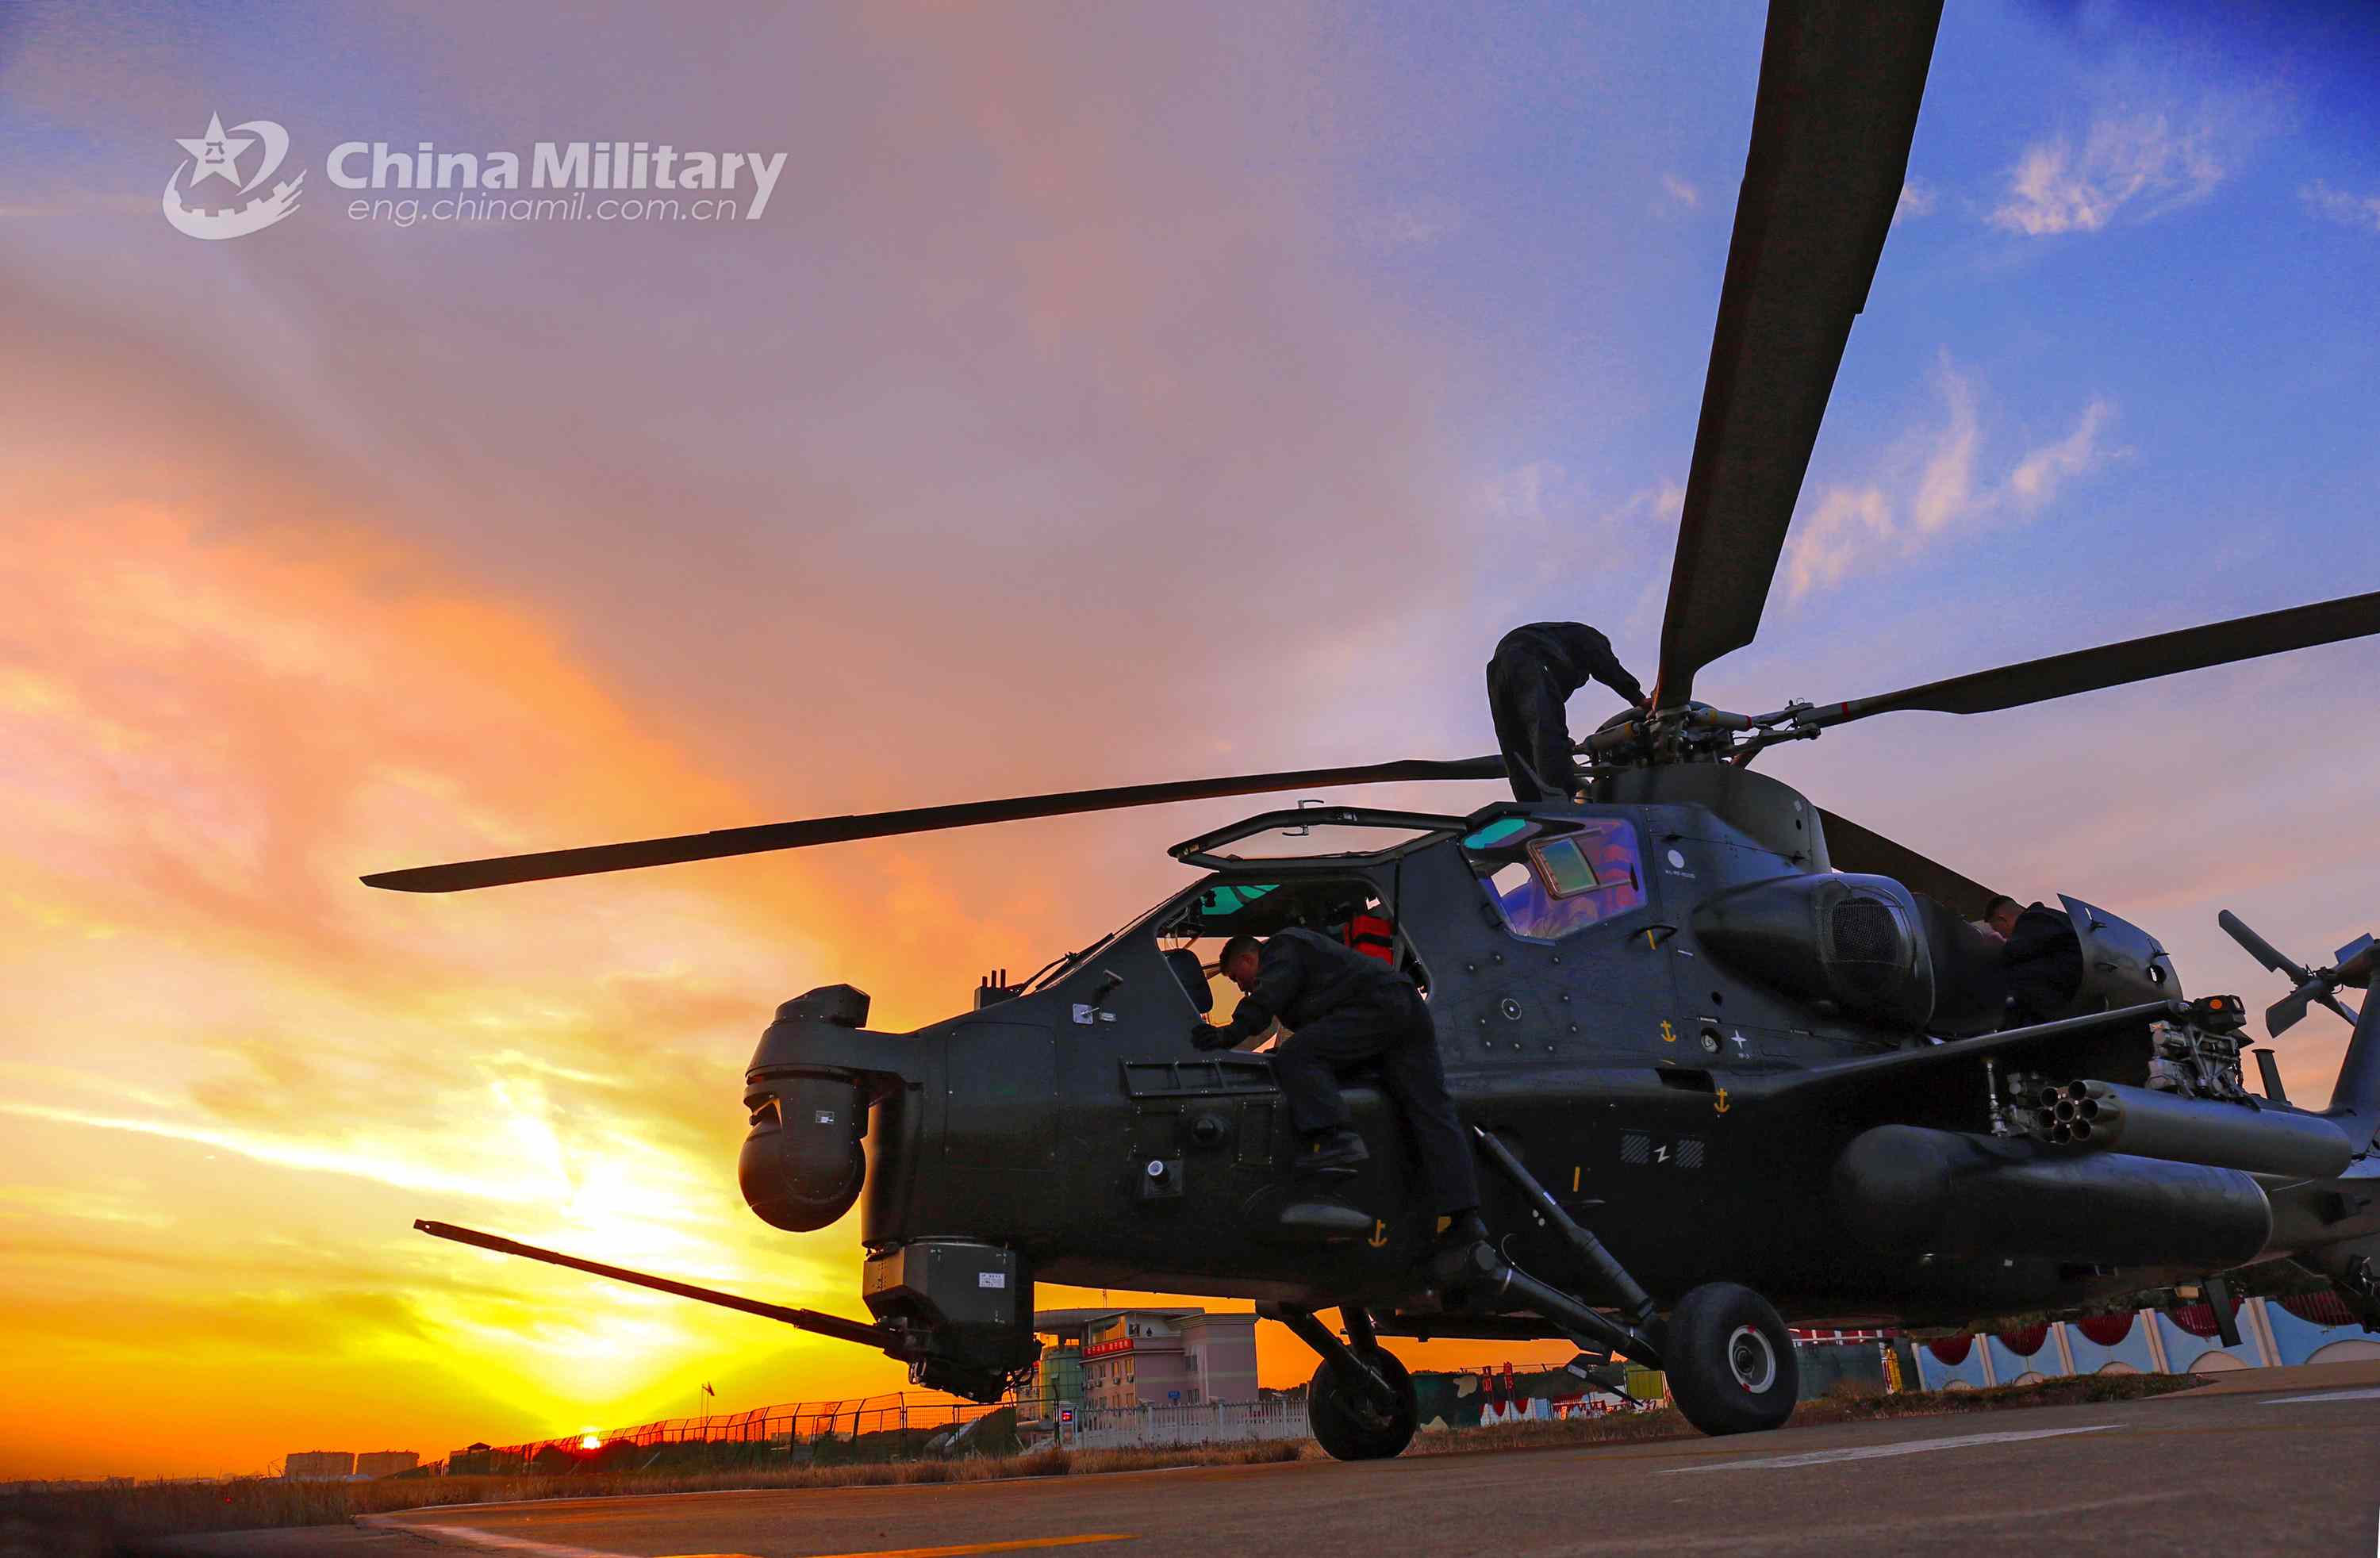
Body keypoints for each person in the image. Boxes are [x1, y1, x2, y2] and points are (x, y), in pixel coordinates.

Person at [1190, 928, 1488, 1252]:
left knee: (1298, 1054)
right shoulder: (1313, 971)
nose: (1242, 986)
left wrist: (1227, 1036)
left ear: (1249, 958)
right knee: (1431, 1113)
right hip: (1402, 1010)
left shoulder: (1282, 948)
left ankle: (1336, 1139)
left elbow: (1266, 1000)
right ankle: (1465, 1217)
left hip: (1375, 1008)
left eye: (1237, 977)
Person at [1485, 622, 1648, 803]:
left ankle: (1531, 808)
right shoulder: (1589, 637)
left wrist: (1559, 742)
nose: (1585, 679)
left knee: (1516, 750)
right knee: (1546, 735)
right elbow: (1606, 664)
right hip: (1526, 656)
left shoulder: (1554, 656)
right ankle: (1563, 805)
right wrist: (1639, 699)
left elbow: (1539, 717)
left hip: (1497, 673)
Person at [1997, 897, 2084, 1027]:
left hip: (2056, 997)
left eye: (1999, 931)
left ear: (2002, 919)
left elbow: (2010, 953)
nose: (2003, 937)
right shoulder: (2054, 918)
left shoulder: (2034, 918)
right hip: (2067, 993)